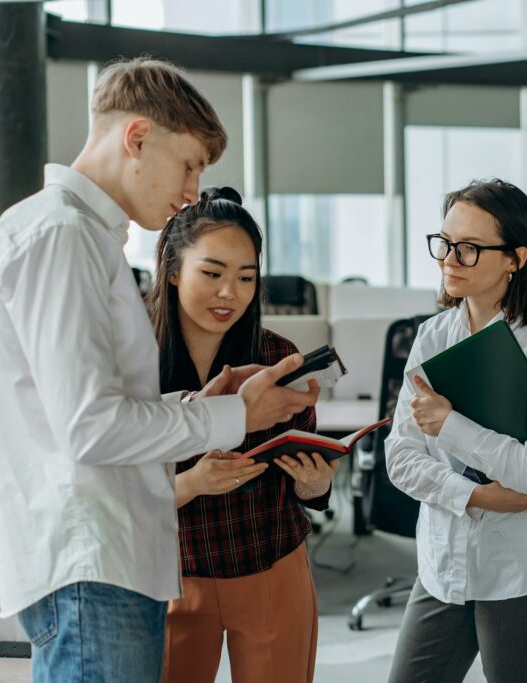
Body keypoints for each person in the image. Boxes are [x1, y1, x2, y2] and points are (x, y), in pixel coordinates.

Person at [0, 58, 318, 683]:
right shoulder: (60, 237)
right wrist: (235, 415)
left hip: (108, 561)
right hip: (93, 564)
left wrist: (198, 403)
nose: (190, 192)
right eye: (188, 165)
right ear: (136, 138)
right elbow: (90, 427)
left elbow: (94, 406)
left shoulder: (82, 238)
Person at [384, 179, 527, 683]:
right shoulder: (433, 336)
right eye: (445, 243)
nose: (450, 258)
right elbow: (401, 457)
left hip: (525, 564)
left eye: (470, 248)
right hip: (443, 563)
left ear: (515, 258)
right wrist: (476, 495)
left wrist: (450, 426)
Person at [152, 187, 335, 683]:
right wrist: (192, 483)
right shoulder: (136, 361)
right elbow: (110, 487)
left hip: (270, 565)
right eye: (212, 274)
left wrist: (314, 485)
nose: (229, 293)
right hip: (170, 575)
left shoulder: (278, 356)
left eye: (246, 277)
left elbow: (307, 471)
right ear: (172, 271)